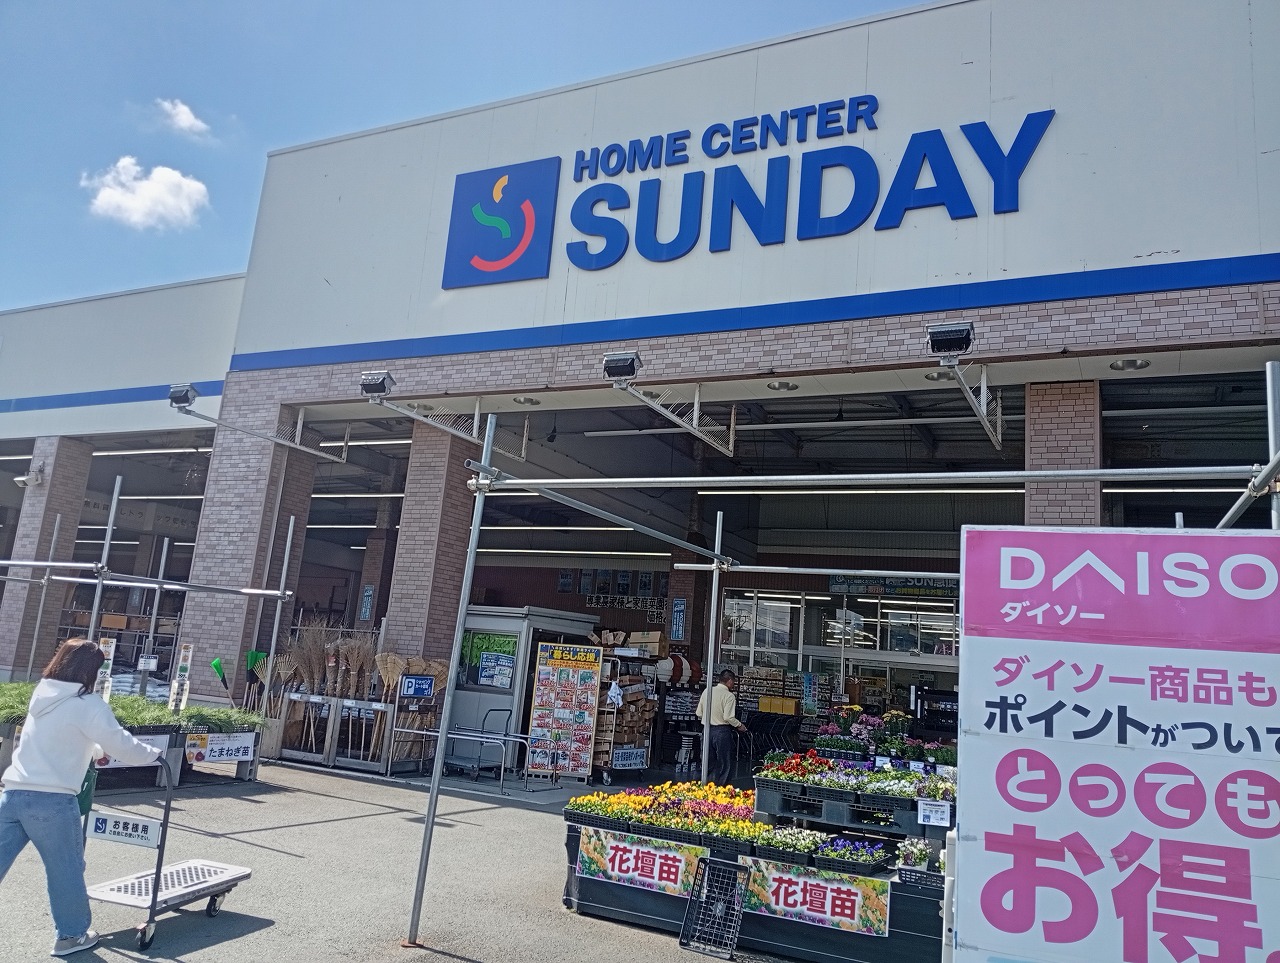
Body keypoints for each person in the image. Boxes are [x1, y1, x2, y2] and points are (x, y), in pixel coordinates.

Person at [0, 639, 164, 957]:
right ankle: (72, 935)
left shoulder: (42, 695)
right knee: (65, 869)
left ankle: (72, 933)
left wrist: (94, 750)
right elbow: (120, 742)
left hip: (13, 794)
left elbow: (58, 736)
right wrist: (155, 754)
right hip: (52, 802)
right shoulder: (87, 703)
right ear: (91, 671)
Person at [695, 669, 747, 785]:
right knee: (724, 762)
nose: (733, 684)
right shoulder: (729, 696)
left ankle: (699, 785)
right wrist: (740, 725)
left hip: (707, 730)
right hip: (722, 731)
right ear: (729, 681)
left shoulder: (707, 691)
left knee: (706, 761)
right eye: (733, 681)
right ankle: (721, 787)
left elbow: (698, 713)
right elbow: (728, 717)